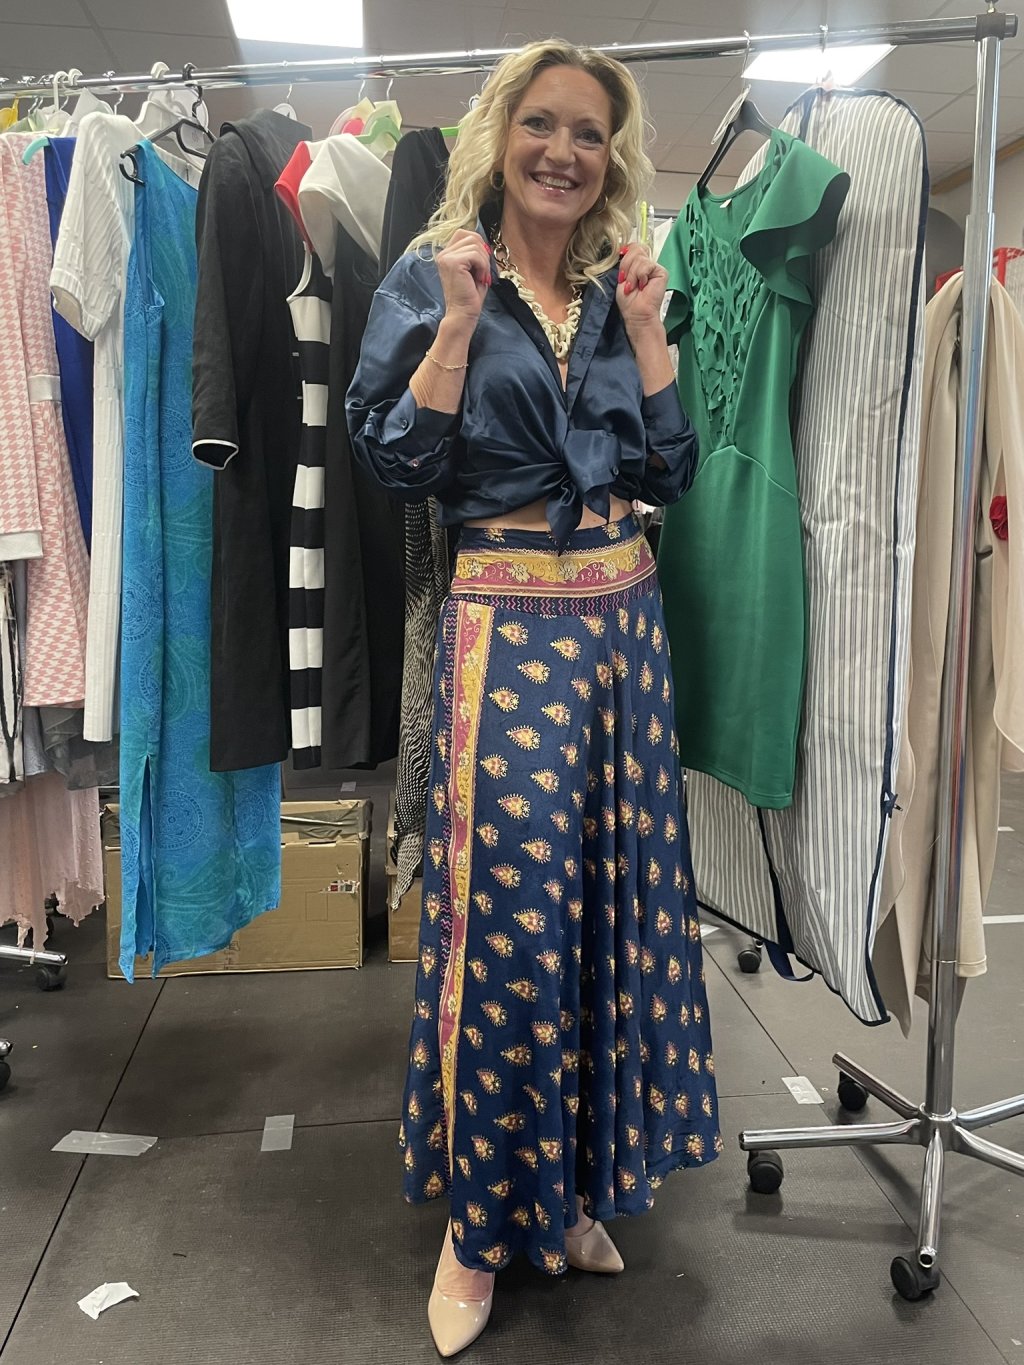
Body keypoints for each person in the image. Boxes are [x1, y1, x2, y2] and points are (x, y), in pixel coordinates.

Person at [347, 38, 722, 1357]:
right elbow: (395, 461)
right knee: (507, 927)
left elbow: (671, 470)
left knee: (610, 914)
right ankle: (478, 1225)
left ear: (614, 159)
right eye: (544, 123)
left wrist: (651, 336)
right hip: (506, 631)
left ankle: (569, 1191)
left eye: (591, 134)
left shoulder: (622, 290)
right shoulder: (432, 274)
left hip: (625, 629)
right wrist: (457, 327)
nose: (566, 151)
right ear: (502, 133)